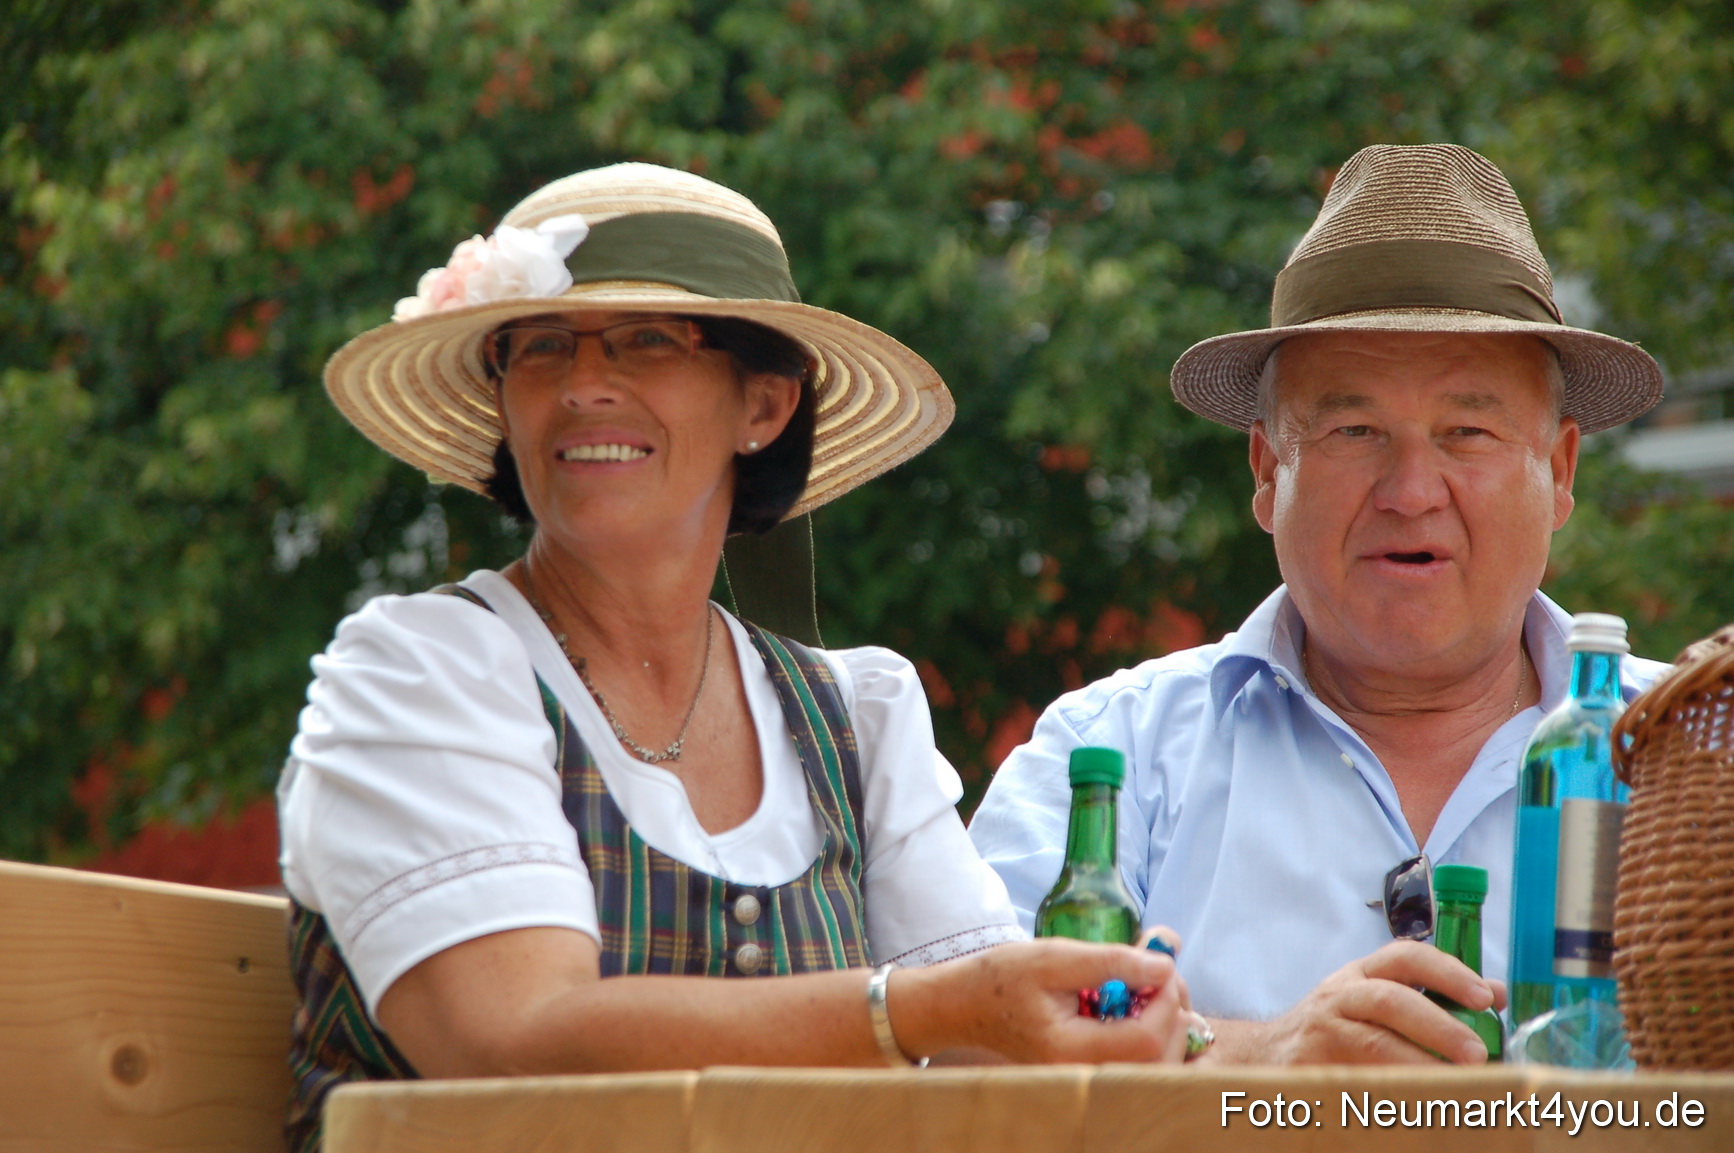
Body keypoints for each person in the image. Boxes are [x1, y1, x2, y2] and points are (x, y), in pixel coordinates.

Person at [278, 163, 1191, 1152]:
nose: (583, 385)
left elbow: (999, 1049)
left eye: (646, 339)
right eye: (540, 347)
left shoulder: (854, 714)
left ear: (764, 406)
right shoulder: (422, 670)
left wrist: (1119, 1014)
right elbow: (514, 1045)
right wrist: (923, 1009)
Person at [968, 144, 1670, 1065]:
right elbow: (968, 1053)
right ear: (1268, 471)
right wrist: (1260, 1059)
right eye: (1354, 429)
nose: (1411, 490)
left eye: (1468, 430)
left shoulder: (1695, 753)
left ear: (1561, 471)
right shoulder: (1114, 757)